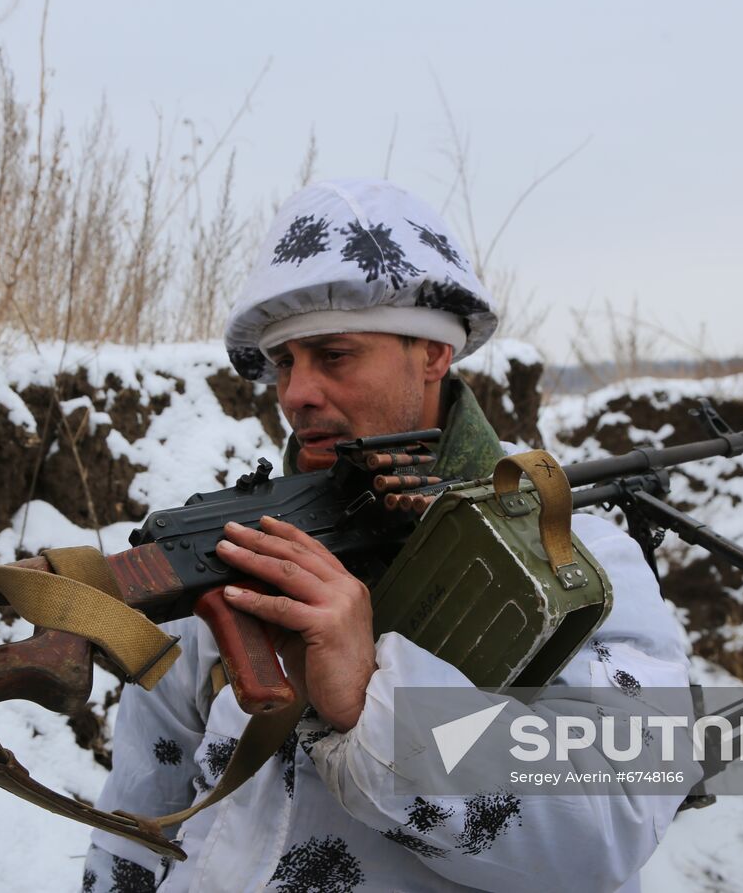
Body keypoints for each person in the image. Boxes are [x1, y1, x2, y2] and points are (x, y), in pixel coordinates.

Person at [82, 179, 693, 893]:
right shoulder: (231, 563)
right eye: (284, 361)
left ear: (433, 353)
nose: (294, 393)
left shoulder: (573, 565)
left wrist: (374, 701)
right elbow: (135, 824)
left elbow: (607, 834)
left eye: (333, 355)